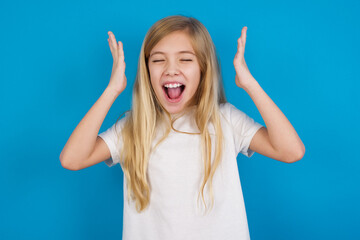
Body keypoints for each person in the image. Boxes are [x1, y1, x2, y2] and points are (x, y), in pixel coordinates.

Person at [60, 15, 305, 240]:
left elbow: (291, 151)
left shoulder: (226, 120)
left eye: (186, 59)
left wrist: (249, 84)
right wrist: (112, 89)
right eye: (158, 60)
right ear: (147, 71)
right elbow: (72, 159)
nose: (171, 69)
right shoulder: (133, 128)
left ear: (203, 68)